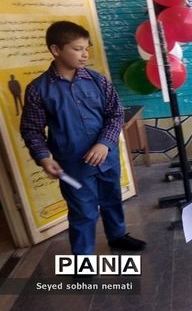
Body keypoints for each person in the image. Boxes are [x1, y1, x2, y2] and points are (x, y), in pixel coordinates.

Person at [20, 21, 146, 255]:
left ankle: (117, 236)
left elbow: (115, 113)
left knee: (112, 199)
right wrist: (43, 158)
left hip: (106, 158)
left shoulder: (98, 81)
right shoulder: (38, 89)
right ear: (56, 50)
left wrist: (104, 143)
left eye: (86, 48)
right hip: (72, 165)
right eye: (77, 49)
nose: (84, 54)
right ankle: (83, 256)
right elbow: (31, 129)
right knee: (83, 211)